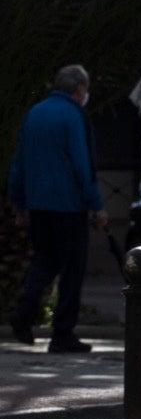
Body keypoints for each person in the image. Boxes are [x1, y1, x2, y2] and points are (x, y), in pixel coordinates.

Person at [7, 64, 109, 354]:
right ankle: (62, 333)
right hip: (68, 206)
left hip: (39, 205)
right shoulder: (73, 116)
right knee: (71, 269)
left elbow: (19, 164)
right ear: (79, 90)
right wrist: (97, 205)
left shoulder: (35, 113)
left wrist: (20, 203)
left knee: (44, 262)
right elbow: (82, 164)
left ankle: (24, 313)